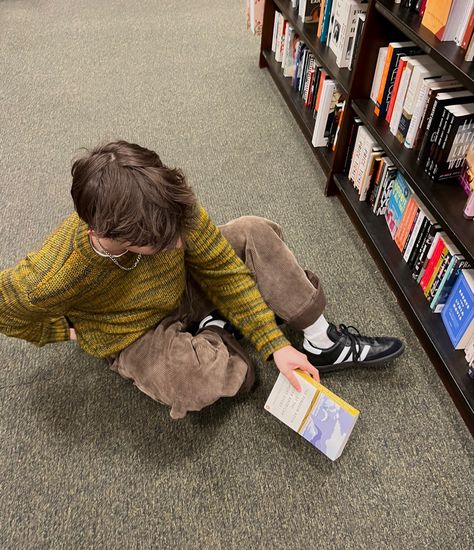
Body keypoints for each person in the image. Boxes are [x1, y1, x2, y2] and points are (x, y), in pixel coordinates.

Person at [0, 141, 405, 419]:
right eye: (161, 242)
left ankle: (321, 341)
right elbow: (8, 308)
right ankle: (219, 332)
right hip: (132, 333)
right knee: (192, 380)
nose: (179, 242)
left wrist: (276, 346)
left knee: (253, 231)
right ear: (112, 237)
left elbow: (221, 271)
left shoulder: (171, 204)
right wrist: (70, 332)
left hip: (184, 287)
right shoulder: (58, 268)